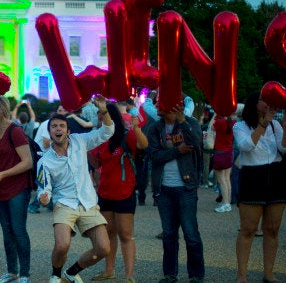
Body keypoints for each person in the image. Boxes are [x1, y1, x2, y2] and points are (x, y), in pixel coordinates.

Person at [36, 95, 114, 283]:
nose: (58, 129)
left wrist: (104, 110)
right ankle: (55, 275)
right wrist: (44, 197)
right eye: (54, 126)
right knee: (62, 245)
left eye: (62, 126)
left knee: (104, 248)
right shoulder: (44, 161)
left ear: (68, 131)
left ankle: (71, 272)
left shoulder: (80, 141)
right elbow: (43, 188)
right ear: (49, 132)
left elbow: (107, 131)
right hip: (64, 203)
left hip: (88, 202)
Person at [233, 92, 286, 283]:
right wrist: (264, 123)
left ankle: (269, 273)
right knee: (248, 229)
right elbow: (246, 146)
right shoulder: (240, 126)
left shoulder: (276, 125)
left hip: (276, 175)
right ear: (253, 104)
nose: (267, 104)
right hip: (252, 176)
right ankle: (242, 275)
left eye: (269, 101)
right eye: (263, 100)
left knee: (272, 228)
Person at [89, 102, 148, 282]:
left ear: (111, 115)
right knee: (109, 234)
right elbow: (97, 164)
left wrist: (136, 128)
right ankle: (109, 271)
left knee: (125, 234)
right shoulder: (99, 137)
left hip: (125, 191)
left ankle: (129, 275)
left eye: (101, 113)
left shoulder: (126, 135)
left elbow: (143, 145)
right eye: (98, 113)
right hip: (105, 192)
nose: (99, 117)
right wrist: (88, 150)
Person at [147, 103, 205, 283]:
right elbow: (154, 156)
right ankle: (170, 274)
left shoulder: (190, 123)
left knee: (191, 233)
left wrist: (182, 121)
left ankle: (196, 275)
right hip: (164, 188)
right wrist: (177, 151)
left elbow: (196, 143)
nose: (159, 108)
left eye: (163, 105)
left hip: (186, 186)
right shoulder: (155, 128)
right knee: (169, 234)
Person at [0, 96, 33, 282]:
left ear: (0, 108)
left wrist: (3, 174)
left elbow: (27, 162)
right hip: (0, 189)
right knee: (7, 231)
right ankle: (12, 271)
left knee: (18, 229)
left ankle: (25, 274)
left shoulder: (15, 131)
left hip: (18, 187)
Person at [212, 114, 236, 213]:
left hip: (219, 152)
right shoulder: (233, 122)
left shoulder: (219, 122)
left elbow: (211, 128)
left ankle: (225, 203)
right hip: (229, 152)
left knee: (221, 180)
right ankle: (227, 202)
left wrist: (215, 115)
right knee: (226, 179)